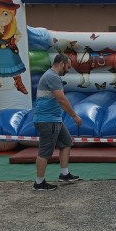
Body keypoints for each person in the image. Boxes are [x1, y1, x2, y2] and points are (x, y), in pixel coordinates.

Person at [32, 54, 83, 191]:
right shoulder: (53, 77)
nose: (68, 70)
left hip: (54, 119)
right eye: (68, 67)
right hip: (48, 120)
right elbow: (61, 99)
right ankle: (39, 183)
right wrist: (74, 116)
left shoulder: (50, 75)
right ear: (61, 64)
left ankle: (64, 174)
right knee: (45, 152)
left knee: (66, 143)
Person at [0, 0, 28, 94]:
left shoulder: (13, 28)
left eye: (5, 14)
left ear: (12, 12)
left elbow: (19, 34)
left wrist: (15, 40)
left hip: (9, 49)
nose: (1, 19)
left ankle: (19, 83)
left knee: (13, 66)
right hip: (0, 50)